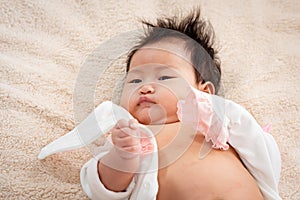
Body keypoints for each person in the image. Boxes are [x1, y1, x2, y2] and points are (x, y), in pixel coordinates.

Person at [38, 8, 281, 200]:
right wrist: (123, 156)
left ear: (204, 92)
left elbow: (263, 156)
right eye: (134, 80)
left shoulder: (222, 125)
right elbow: (102, 188)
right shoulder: (132, 136)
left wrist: (223, 116)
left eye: (165, 77)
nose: (146, 87)